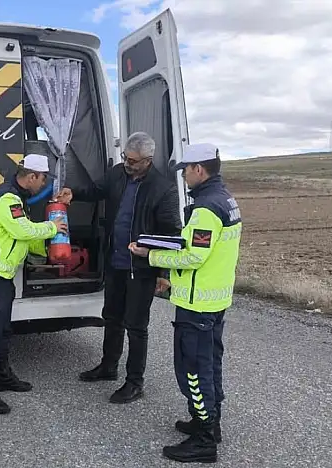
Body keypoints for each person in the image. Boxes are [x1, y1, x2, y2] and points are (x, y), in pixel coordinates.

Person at [129, 143, 241, 463]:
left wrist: (151, 255)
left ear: (198, 169)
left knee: (193, 369)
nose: (184, 177)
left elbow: (193, 256)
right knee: (210, 364)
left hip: (197, 303)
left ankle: (204, 440)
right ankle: (209, 424)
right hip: (214, 299)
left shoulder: (206, 209)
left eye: (186, 171)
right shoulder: (225, 199)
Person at [55, 132, 182, 404]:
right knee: (111, 317)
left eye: (133, 161)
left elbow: (171, 234)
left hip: (142, 269)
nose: (127, 163)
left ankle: (135, 382)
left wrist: (164, 273)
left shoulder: (163, 189)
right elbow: (96, 190)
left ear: (148, 160)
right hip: (115, 262)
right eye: (125, 157)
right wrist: (73, 192)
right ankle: (108, 366)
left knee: (136, 325)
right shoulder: (117, 174)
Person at [0, 153, 67, 415]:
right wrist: (52, 228)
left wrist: (46, 252)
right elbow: (21, 230)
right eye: (43, 179)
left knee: (3, 331)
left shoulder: (17, 197)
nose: (44, 183)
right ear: (32, 176)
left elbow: (22, 235)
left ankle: (2, 377)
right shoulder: (8, 197)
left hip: (3, 276)